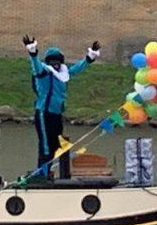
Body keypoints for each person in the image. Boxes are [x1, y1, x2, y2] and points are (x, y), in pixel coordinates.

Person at [23, 35, 100, 179]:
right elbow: (36, 66)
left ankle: (48, 171)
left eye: (58, 61)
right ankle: (41, 174)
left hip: (57, 114)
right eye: (53, 61)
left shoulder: (63, 73)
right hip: (44, 114)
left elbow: (77, 68)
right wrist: (33, 53)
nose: (56, 64)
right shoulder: (44, 73)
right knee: (46, 146)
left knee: (56, 145)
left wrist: (90, 57)